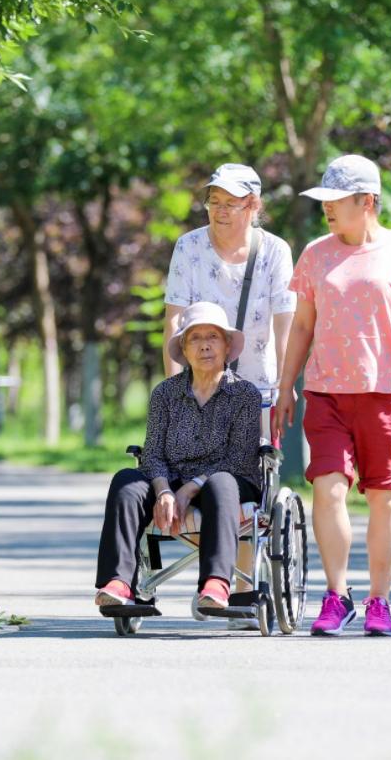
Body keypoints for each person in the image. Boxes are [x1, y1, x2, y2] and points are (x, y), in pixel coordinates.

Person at [273, 154, 391, 637]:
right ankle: (337, 596)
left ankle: (380, 600)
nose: (328, 208)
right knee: (328, 488)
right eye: (325, 200)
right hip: (327, 391)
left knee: (383, 497)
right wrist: (286, 386)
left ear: (367, 201)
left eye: (337, 200)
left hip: (388, 392)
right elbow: (303, 326)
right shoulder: (315, 254)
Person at [163, 163, 297, 627]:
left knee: (242, 484)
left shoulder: (275, 251)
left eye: (231, 203)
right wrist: (175, 392)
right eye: (214, 201)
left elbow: (285, 325)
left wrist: (287, 387)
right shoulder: (189, 247)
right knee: (190, 473)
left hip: (256, 387)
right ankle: (215, 576)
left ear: (253, 206)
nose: (219, 210)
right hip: (198, 387)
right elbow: (174, 321)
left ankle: (238, 588)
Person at [95, 302, 262, 612]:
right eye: (194, 338)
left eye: (213, 336)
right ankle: (118, 583)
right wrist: (164, 492)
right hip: (170, 479)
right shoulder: (165, 394)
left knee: (222, 482)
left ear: (227, 345)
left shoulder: (245, 395)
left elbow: (237, 459)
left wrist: (190, 488)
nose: (204, 345)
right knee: (126, 481)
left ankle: (215, 584)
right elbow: (153, 452)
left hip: (226, 483)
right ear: (184, 349)